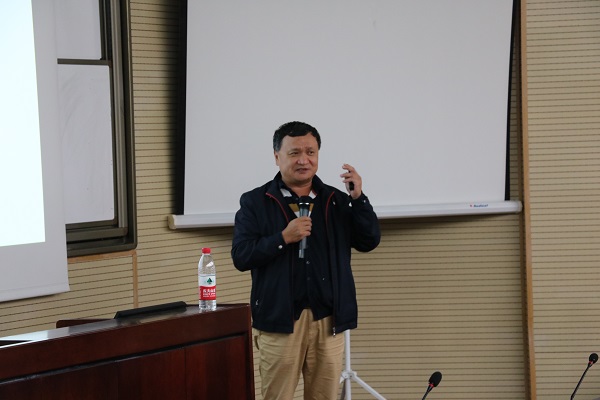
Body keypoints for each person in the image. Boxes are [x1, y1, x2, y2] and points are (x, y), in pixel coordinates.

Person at [231, 121, 381, 399]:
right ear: (277, 156)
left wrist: (358, 198)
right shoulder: (255, 201)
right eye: (294, 153)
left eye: (311, 152)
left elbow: (368, 240)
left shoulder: (335, 200)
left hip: (328, 320)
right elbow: (241, 256)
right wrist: (283, 238)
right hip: (280, 321)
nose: (304, 160)